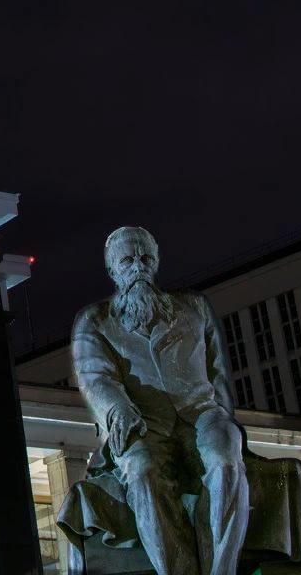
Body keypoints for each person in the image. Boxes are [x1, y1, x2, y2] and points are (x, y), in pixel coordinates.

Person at [72, 227, 248, 575]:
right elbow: (96, 377)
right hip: (143, 420)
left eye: (145, 258)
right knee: (142, 470)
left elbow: (218, 372)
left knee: (225, 459)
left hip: (201, 413)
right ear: (112, 271)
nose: (138, 267)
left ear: (156, 262)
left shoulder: (194, 306)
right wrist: (117, 408)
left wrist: (225, 418)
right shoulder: (95, 321)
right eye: (127, 260)